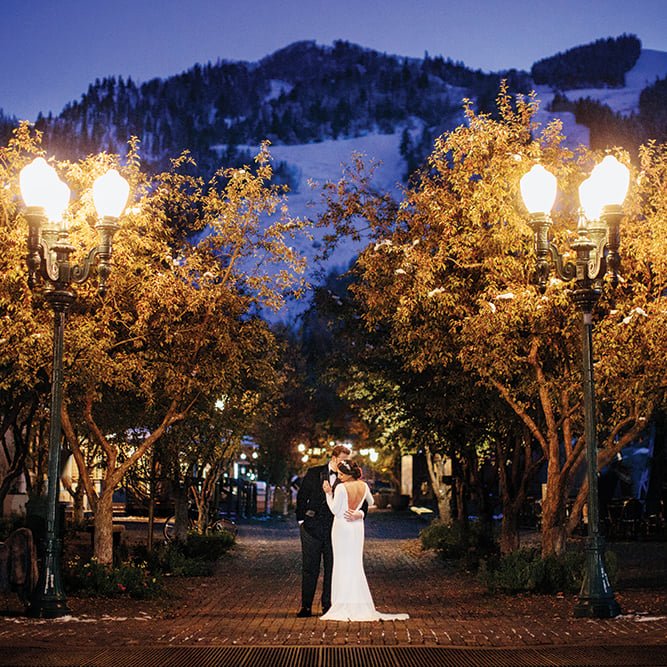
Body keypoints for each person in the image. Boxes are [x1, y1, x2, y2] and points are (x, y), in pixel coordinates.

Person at [320, 459, 409, 622]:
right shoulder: (364, 486)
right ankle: (357, 602)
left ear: (348, 474)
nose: (339, 477)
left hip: (342, 527)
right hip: (357, 526)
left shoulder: (340, 488)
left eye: (341, 474)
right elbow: (372, 502)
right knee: (354, 563)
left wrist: (328, 493)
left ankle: (343, 603)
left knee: (341, 563)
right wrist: (359, 513)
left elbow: (334, 509)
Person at [295, 445, 365, 617]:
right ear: (333, 459)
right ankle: (306, 606)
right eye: (342, 460)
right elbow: (302, 496)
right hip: (311, 527)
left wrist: (359, 514)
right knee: (309, 568)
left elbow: (362, 501)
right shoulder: (314, 473)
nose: (344, 464)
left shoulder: (349, 479)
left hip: (337, 529)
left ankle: (328, 605)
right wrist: (301, 521)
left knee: (332, 567)